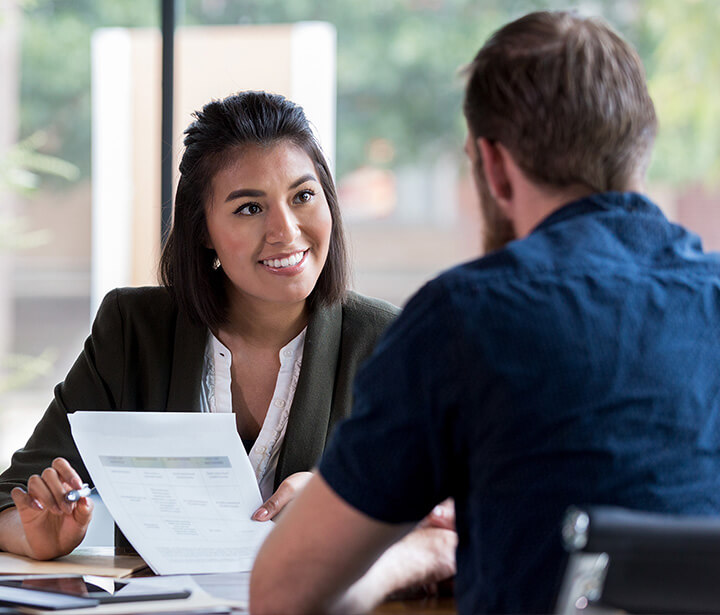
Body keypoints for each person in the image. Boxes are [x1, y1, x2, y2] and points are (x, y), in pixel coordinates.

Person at [249, 10, 720, 615]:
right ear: (641, 147)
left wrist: (416, 554)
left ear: (492, 165)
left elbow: (283, 594)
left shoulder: (466, 318)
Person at [0, 91, 407, 560]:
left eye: (303, 196)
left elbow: (451, 509)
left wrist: (345, 503)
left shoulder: (386, 343)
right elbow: (9, 499)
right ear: (202, 231)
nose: (287, 231)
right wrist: (35, 535)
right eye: (250, 208)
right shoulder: (133, 331)